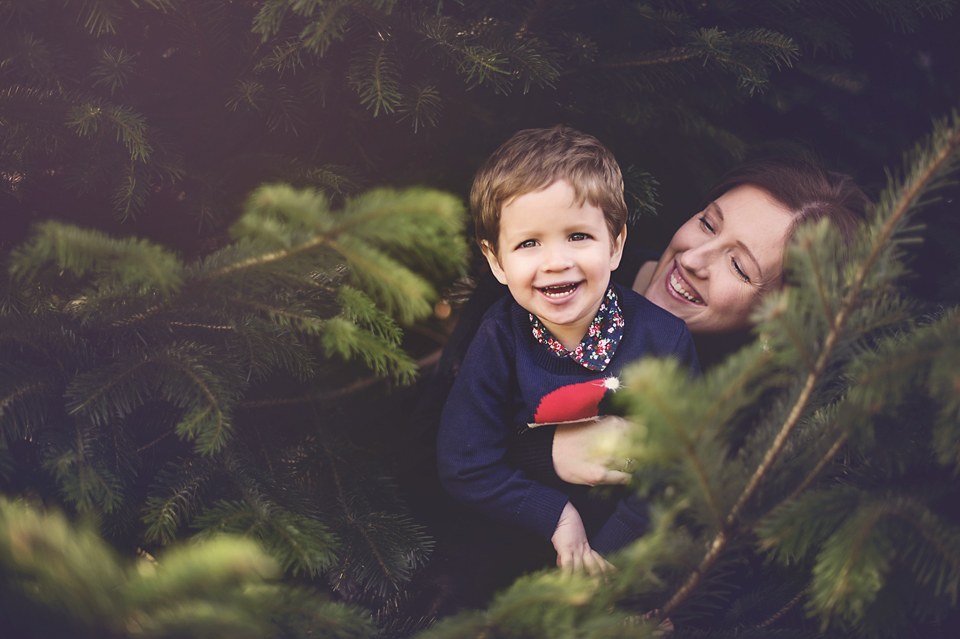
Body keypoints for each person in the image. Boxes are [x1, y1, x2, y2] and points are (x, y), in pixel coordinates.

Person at [436, 126, 701, 576]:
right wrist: (556, 515)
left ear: (616, 244)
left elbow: (681, 471)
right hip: (518, 554)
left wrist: (610, 560)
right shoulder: (499, 338)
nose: (556, 261)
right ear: (497, 261)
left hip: (635, 557)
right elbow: (465, 461)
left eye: (578, 236)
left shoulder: (664, 340)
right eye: (528, 243)